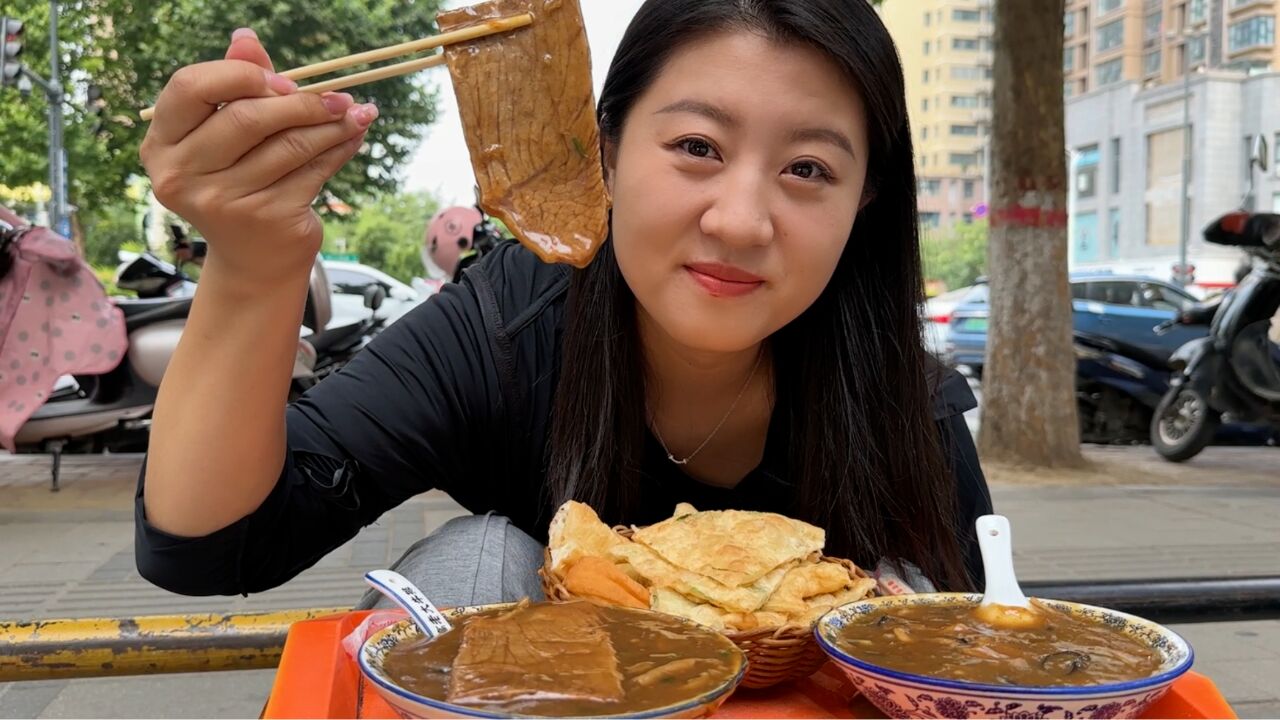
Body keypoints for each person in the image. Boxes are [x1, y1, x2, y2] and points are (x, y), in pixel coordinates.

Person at [134, 0, 993, 610]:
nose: (739, 220)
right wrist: (252, 265)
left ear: (864, 202)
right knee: (481, 559)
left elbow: (985, 642)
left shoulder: (902, 402)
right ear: (606, 155)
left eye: (807, 168)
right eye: (697, 146)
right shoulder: (507, 328)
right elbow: (218, 542)